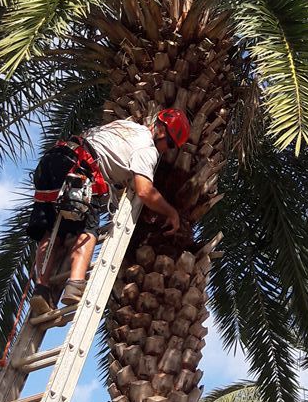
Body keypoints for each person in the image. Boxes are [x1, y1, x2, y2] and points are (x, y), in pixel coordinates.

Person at [26, 108, 190, 317]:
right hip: (80, 169)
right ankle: (75, 285)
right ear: (161, 132)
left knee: (52, 231)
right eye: (170, 145)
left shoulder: (127, 127)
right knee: (87, 228)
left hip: (54, 159)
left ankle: (41, 289)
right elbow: (144, 190)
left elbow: (109, 154)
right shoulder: (147, 149)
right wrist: (171, 213)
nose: (166, 150)